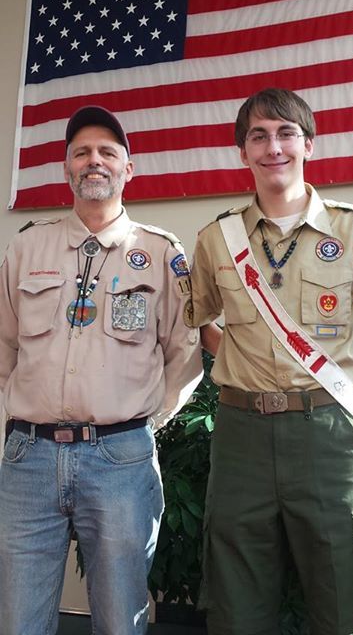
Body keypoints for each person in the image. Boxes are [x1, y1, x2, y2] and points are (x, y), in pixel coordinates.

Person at [191, 87, 353, 635]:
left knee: (347, 598)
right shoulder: (218, 240)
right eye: (258, 136)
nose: (273, 147)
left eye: (286, 133)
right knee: (237, 604)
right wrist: (234, 359)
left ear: (308, 144)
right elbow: (190, 322)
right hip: (241, 436)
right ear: (243, 152)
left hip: (328, 434)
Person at [0, 105, 202, 635]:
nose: (95, 161)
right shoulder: (27, 247)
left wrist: (143, 425)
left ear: (127, 169)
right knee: (19, 619)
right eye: (82, 152)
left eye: (108, 152)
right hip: (30, 458)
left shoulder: (161, 253)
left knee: (119, 617)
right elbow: (4, 347)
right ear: (66, 168)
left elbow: (186, 354)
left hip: (120, 460)